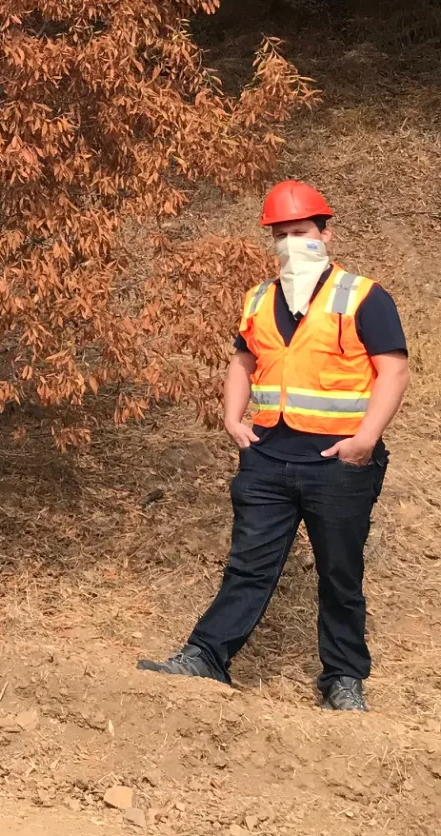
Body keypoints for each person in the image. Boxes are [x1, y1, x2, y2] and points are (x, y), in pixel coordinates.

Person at [140, 180, 409, 711]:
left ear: (325, 233)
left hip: (338, 462)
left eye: (301, 232)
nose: (291, 243)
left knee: (339, 573)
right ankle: (206, 657)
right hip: (267, 456)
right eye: (280, 235)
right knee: (249, 564)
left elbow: (393, 372)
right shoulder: (260, 298)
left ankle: (343, 679)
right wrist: (232, 419)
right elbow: (243, 362)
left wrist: (365, 440)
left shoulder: (363, 296)